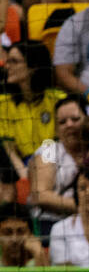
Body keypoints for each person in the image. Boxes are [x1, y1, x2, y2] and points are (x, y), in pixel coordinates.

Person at [0, 42, 65, 185]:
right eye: (7, 61)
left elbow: (60, 143)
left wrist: (43, 171)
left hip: (55, 164)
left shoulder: (58, 99)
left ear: (33, 67)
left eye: (14, 61)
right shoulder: (3, 104)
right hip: (20, 169)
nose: (7, 66)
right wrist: (25, 175)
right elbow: (9, 150)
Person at [30, 96, 87, 237]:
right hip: (50, 224)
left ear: (87, 120)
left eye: (75, 119)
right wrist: (84, 207)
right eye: (62, 122)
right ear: (56, 129)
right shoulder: (49, 149)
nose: (69, 125)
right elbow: (41, 196)